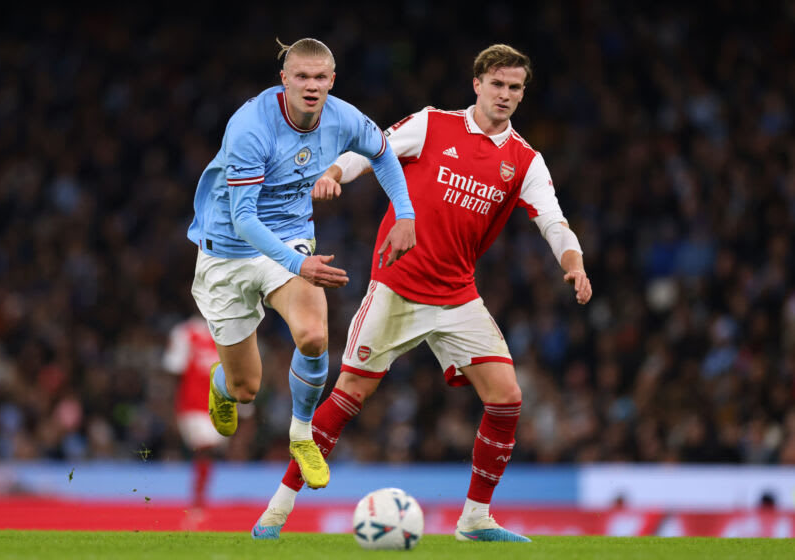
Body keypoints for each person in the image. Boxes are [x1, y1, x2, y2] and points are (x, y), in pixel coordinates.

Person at [253, 44, 592, 542]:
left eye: (514, 87)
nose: (504, 94)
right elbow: (369, 151)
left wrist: (575, 264)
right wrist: (331, 172)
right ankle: (276, 512)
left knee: (507, 398)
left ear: (522, 94)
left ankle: (475, 519)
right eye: (496, 84)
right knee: (349, 395)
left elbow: (555, 223)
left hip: (458, 297)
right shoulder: (434, 124)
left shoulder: (525, 161)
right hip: (397, 288)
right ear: (477, 84)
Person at [186, 38, 416, 493]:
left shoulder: (344, 116)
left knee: (313, 336)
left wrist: (406, 214)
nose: (311, 86)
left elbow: (383, 152)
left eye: (320, 78)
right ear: (284, 80)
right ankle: (223, 384)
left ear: (332, 80)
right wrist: (299, 264)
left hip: (290, 235)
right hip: (228, 249)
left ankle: (301, 433)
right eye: (302, 77)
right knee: (247, 387)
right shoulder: (250, 126)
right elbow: (243, 217)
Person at [162, 315, 224, 508]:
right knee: (205, 447)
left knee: (210, 451)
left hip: (222, 407)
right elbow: (174, 371)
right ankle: (198, 499)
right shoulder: (185, 332)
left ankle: (201, 496)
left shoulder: (230, 330)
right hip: (193, 406)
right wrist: (171, 408)